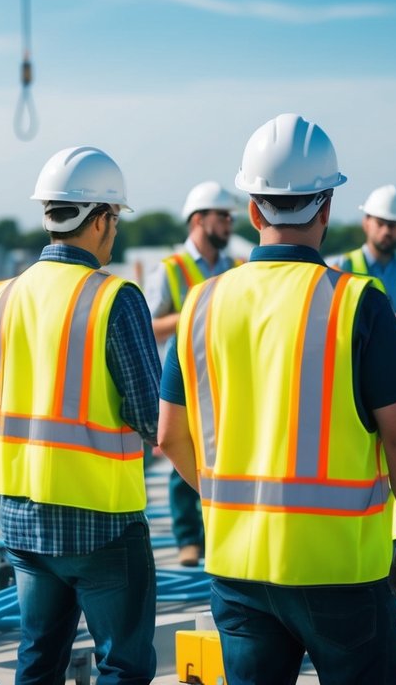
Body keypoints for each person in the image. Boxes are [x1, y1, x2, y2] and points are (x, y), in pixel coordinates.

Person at [158, 114, 396, 685]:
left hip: (237, 566)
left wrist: (227, 501)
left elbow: (168, 437)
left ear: (253, 211)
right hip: (341, 569)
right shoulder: (359, 303)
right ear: (327, 209)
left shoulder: (201, 306)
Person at [0, 146, 161, 685]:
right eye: (115, 220)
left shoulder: (1, 298)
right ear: (100, 218)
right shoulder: (113, 297)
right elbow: (152, 416)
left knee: (38, 660)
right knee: (122, 666)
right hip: (101, 520)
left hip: (23, 520)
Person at [144, 180, 241, 567]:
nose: (230, 224)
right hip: (184, 377)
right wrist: (194, 314)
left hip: (225, 377)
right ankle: (189, 540)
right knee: (182, 454)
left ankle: (219, 530)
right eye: (223, 217)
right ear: (198, 220)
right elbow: (148, 326)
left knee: (225, 456)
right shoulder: (170, 270)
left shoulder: (234, 268)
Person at [333, 184, 396, 330]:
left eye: (392, 225)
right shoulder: (342, 265)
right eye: (380, 223)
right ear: (366, 223)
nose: (386, 230)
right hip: (356, 352)